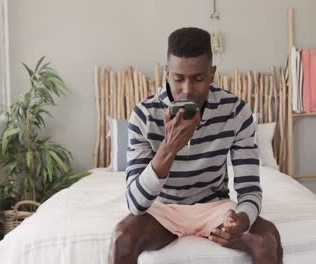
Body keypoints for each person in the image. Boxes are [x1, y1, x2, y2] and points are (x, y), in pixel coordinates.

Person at [109, 27, 282, 264]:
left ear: (212, 74)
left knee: (268, 239)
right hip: (162, 209)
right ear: (167, 73)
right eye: (178, 79)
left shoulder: (235, 111)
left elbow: (249, 189)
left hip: (214, 208)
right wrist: (169, 148)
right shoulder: (144, 114)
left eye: (198, 79)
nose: (188, 90)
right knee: (122, 238)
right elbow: (136, 204)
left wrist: (242, 219)